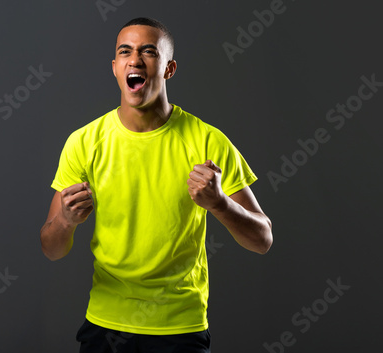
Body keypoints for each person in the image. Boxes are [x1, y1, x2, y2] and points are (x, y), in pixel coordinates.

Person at [40, 17, 273, 353]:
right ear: (116, 67)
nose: (135, 60)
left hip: (181, 327)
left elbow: (262, 240)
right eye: (125, 52)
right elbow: (52, 250)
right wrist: (65, 220)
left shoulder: (208, 141)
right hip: (106, 325)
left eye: (149, 52)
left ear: (168, 69)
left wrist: (219, 203)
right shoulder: (83, 142)